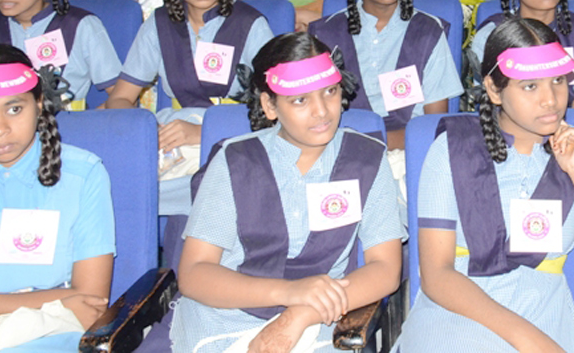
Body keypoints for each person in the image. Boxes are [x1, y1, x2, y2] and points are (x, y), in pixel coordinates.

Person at [395, 18, 574, 353]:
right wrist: (527, 340)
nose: (550, 100)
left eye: (558, 81)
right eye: (530, 86)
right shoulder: (452, 148)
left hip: (544, 318)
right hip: (452, 323)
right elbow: (436, 275)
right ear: (494, 89)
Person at [170, 33, 403, 353]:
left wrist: (300, 313)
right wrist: (289, 292)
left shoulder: (366, 160)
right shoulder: (235, 160)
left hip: (319, 320)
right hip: (224, 320)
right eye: (300, 100)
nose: (322, 112)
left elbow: (386, 269)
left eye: (330, 92)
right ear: (269, 104)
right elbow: (195, 274)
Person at [0, 48, 114, 353]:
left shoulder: (84, 176)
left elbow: (89, 308)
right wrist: (51, 310)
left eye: (14, 109)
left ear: (39, 104)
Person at [106, 0, 274, 214]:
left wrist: (202, 132)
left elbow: (277, 107)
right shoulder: (159, 25)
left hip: (237, 132)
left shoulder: (251, 24)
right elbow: (120, 99)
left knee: (134, 194)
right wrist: (149, 132)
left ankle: (137, 201)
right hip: (173, 133)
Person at [309, 0, 460, 152]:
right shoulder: (326, 34)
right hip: (340, 150)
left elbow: (434, 125)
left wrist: (376, 143)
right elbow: (314, 118)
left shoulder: (428, 32)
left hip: (409, 151)